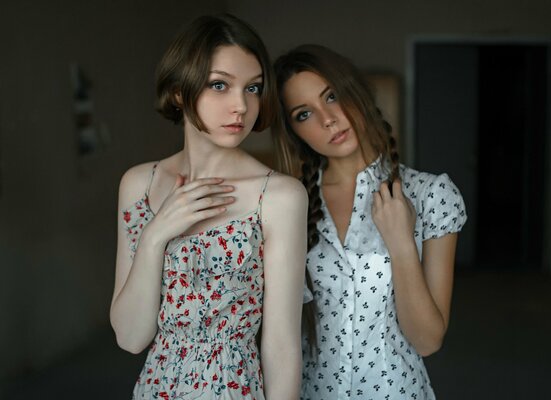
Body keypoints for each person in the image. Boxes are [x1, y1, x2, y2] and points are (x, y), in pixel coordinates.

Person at [110, 14, 306, 400]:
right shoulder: (138, 185)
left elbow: (282, 347)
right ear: (179, 92)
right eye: (220, 85)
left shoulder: (279, 197)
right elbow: (130, 338)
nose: (241, 106)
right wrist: (155, 236)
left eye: (253, 88)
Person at [273, 44, 467, 399]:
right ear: (293, 131)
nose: (327, 119)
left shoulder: (430, 195)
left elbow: (427, 341)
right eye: (304, 114)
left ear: (356, 92)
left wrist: (401, 243)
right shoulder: (288, 205)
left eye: (331, 96)